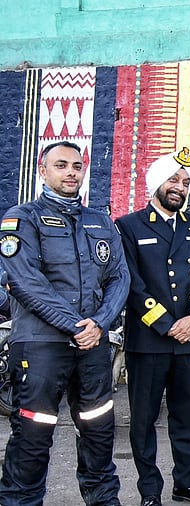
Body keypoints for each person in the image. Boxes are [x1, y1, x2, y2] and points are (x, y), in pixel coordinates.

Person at [0, 141, 130, 505]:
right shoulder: (22, 218)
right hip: (41, 346)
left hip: (93, 346)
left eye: (77, 165)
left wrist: (100, 323)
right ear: (44, 171)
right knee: (32, 433)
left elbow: (120, 277)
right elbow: (26, 282)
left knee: (99, 428)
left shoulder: (100, 220)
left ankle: (104, 499)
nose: (71, 172)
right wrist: (78, 325)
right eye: (61, 165)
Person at [115, 149, 190, 506]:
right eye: (173, 180)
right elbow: (130, 283)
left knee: (187, 418)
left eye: (185, 182)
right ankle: (149, 491)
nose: (180, 187)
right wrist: (166, 323)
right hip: (149, 342)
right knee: (143, 421)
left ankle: (186, 483)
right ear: (156, 184)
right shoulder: (129, 226)